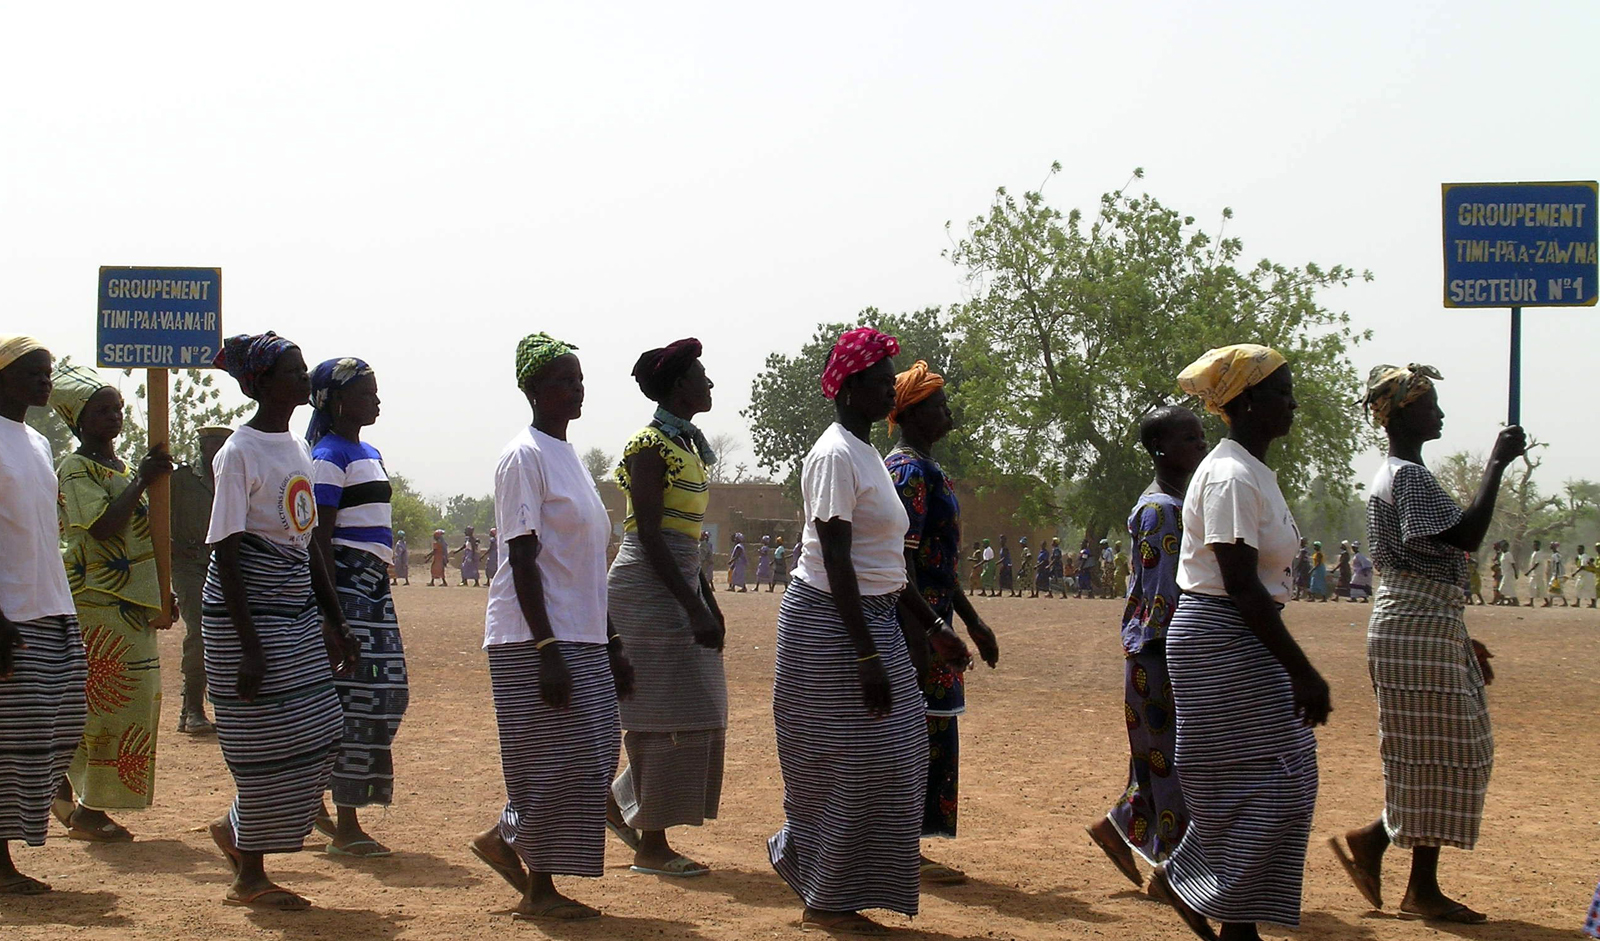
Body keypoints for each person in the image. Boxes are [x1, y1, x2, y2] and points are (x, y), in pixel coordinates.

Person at [768, 328, 972, 934]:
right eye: (882, 379)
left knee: (898, 757)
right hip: (830, 622)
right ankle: (826, 901)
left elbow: (883, 561)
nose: (891, 387)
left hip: (873, 616)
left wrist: (933, 625)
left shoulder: (864, 455)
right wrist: (865, 656)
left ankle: (810, 867)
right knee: (850, 760)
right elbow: (836, 560)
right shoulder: (834, 454)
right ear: (852, 386)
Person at [1330, 363, 1524, 925]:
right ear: (1403, 412)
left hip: (1423, 623)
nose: (1439, 413)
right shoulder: (1408, 477)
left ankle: (1378, 844)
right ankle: (1415, 882)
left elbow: (1428, 561)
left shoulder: (1398, 472)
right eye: (1429, 403)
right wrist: (1496, 463)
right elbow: (1463, 536)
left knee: (1443, 750)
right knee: (1443, 752)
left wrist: (1458, 633)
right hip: (1415, 626)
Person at [1149, 344, 1331, 941]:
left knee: (1280, 774)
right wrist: (1303, 671)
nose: (1293, 402)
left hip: (1238, 631)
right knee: (1271, 778)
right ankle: (1211, 899)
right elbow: (1241, 585)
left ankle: (1221, 906)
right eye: (1282, 391)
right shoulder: (1229, 475)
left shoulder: (1251, 472)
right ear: (1248, 401)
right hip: (1221, 631)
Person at [469, 333, 634, 921]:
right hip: (532, 637)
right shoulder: (524, 457)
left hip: (583, 634)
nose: (578, 388)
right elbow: (521, 558)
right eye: (565, 379)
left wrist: (610, 639)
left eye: (580, 378)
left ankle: (505, 837)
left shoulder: (573, 460)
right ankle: (539, 889)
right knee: (551, 758)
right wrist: (545, 648)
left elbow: (589, 566)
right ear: (534, 390)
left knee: (592, 753)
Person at [202, 332, 360, 910]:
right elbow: (229, 550)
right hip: (246, 614)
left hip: (292, 608)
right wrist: (249, 647)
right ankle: (250, 877)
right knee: (265, 744)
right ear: (261, 383)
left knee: (321, 731)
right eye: (292, 371)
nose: (302, 380)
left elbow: (310, 542)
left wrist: (335, 619)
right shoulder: (238, 453)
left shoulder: (294, 449)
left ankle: (235, 830)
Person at [603, 338, 727, 878]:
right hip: (649, 590)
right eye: (701, 374)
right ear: (679, 385)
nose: (709, 383)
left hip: (679, 581)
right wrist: (692, 604)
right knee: (662, 713)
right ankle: (651, 843)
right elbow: (649, 536)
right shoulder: (647, 446)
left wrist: (707, 597)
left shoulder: (689, 446)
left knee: (701, 708)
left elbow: (686, 537)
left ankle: (622, 803)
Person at [884, 360, 1001, 886]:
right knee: (916, 731)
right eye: (937, 402)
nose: (947, 410)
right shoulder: (907, 472)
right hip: (917, 621)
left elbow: (939, 563)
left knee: (934, 726)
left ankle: (909, 843)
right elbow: (903, 561)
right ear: (911, 413)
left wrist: (973, 621)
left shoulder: (929, 470)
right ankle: (899, 846)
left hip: (935, 617)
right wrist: (926, 632)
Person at [49, 364, 175, 842]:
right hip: (97, 604)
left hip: (132, 606)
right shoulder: (75, 468)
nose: (114, 417)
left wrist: (163, 591)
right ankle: (85, 806)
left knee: (135, 704)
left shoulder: (121, 469)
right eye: (102, 410)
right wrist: (141, 482)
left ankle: (73, 794)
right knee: (103, 705)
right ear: (79, 419)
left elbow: (143, 538)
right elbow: (101, 527)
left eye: (119, 409)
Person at [1088, 405, 1208, 886]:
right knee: (1173, 766)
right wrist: (1179, 658)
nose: (1202, 445)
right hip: (1160, 652)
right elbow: (1163, 599)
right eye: (1191, 438)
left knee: (1159, 757)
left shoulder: (1179, 502)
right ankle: (1174, 871)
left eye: (1202, 436)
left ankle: (1118, 828)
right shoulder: (1162, 510)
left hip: (1164, 651)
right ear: (1161, 449)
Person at [305, 357, 410, 858]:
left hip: (373, 588)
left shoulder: (367, 451)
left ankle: (319, 802)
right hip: (345, 587)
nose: (377, 399)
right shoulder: (327, 457)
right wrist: (332, 614)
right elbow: (318, 539)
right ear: (338, 400)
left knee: (387, 693)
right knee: (354, 698)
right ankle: (344, 824)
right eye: (367, 392)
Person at [0, 336, 88, 895]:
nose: (44, 380)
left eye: (48, 372)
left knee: (60, 729)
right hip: (11, 612)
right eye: (33, 371)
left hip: (52, 605)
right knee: (11, 741)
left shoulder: (35, 441)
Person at [171, 425, 232, 734]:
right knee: (200, 631)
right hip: (187, 564)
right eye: (213, 444)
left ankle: (213, 705)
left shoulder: (232, 478)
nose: (218, 451)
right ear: (203, 446)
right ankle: (193, 707)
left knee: (225, 634)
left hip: (223, 564)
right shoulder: (180, 480)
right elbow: (162, 523)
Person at [1496, 540, 1519, 605]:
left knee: (1502, 587)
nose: (1502, 548)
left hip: (1509, 573)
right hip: (1504, 573)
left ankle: (1507, 601)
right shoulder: (1503, 554)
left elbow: (1513, 564)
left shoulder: (1508, 554)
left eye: (1504, 546)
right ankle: (1510, 601)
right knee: (1508, 587)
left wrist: (1516, 573)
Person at [1526, 540, 1548, 607]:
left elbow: (1537, 563)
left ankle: (1547, 601)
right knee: (1532, 586)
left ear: (1538, 545)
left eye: (1535, 545)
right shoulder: (1535, 553)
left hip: (1538, 573)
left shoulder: (1539, 553)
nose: (1534, 546)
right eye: (1533, 545)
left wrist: (1529, 571)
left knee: (1540, 587)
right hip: (1534, 573)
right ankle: (1531, 602)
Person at [1548, 541, 1569, 607]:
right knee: (1555, 588)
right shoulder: (1557, 554)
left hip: (1558, 574)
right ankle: (1552, 601)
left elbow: (1557, 564)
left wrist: (1556, 575)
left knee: (1552, 586)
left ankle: (1551, 602)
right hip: (1558, 573)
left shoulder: (1555, 555)